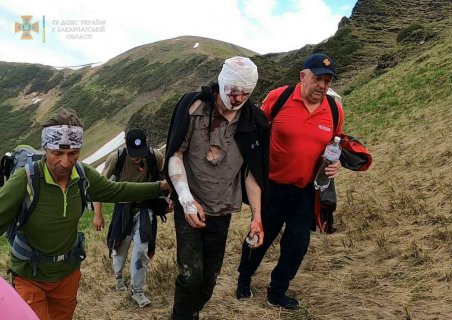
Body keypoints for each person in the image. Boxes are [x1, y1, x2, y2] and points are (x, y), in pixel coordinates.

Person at [0, 109, 170, 320]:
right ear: (45, 148)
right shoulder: (24, 180)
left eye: (73, 153)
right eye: (57, 153)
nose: (65, 162)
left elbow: (118, 190)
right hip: (29, 277)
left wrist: (159, 187)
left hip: (67, 276)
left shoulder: (81, 175)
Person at [236, 53, 344, 309]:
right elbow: (256, 130)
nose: (323, 85)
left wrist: (335, 163)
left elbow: (335, 143)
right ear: (303, 76)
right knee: (260, 235)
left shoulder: (334, 109)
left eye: (328, 80)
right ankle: (244, 278)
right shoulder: (279, 97)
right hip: (272, 187)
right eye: (318, 78)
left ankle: (277, 290)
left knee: (298, 243)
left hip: (306, 191)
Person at [165, 56, 269, 320]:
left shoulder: (253, 121)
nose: (237, 99)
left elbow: (251, 173)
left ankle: (193, 311)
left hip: (222, 210)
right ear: (222, 84)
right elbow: (175, 153)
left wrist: (256, 217)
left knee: (210, 278)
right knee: (190, 275)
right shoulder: (193, 106)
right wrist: (186, 200)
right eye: (233, 92)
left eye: (245, 93)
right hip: (191, 204)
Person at [92, 128, 168, 308]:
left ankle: (137, 290)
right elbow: (99, 187)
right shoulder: (115, 159)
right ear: (126, 146)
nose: (137, 158)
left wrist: (168, 201)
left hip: (145, 208)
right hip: (123, 208)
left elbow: (165, 180)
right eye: (133, 154)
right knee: (121, 246)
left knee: (142, 248)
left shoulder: (154, 157)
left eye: (140, 154)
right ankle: (118, 277)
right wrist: (97, 214)